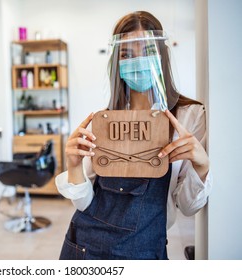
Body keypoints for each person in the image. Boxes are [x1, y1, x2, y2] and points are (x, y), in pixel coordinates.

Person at [55, 11, 212, 260]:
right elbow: (85, 203)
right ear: (117, 63)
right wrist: (74, 165)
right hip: (85, 249)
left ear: (162, 55)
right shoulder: (106, 120)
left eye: (148, 50)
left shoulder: (189, 117)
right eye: (127, 54)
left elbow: (189, 207)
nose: (138, 61)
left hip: (145, 252)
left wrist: (201, 166)